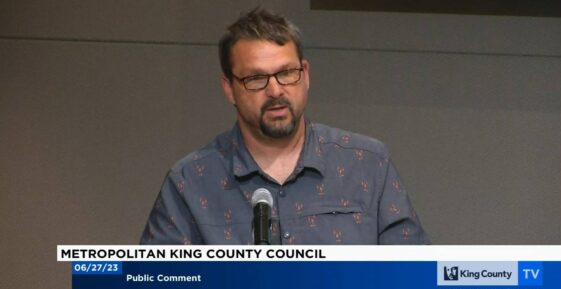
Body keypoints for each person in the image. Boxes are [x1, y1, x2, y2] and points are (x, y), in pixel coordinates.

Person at [140, 8, 430, 245]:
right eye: (256, 79)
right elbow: (154, 286)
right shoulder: (190, 182)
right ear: (229, 88)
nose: (276, 90)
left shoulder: (367, 164)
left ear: (305, 75)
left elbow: (415, 279)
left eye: (286, 73)